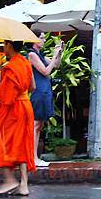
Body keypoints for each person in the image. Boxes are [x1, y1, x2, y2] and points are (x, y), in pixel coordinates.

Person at [0, 39, 37, 196]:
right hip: (26, 106)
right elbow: (32, 87)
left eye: (5, 45)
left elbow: (7, 97)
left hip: (14, 110)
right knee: (22, 144)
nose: (3, 48)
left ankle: (10, 180)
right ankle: (24, 185)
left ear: (9, 46)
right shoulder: (25, 62)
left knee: (5, 142)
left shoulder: (11, 67)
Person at [28, 33, 62, 168]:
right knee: (35, 125)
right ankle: (33, 157)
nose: (44, 40)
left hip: (45, 91)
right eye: (42, 38)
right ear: (34, 39)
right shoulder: (32, 55)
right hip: (38, 92)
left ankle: (34, 156)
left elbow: (57, 65)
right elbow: (46, 71)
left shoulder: (40, 55)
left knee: (39, 126)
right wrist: (54, 56)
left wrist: (58, 53)